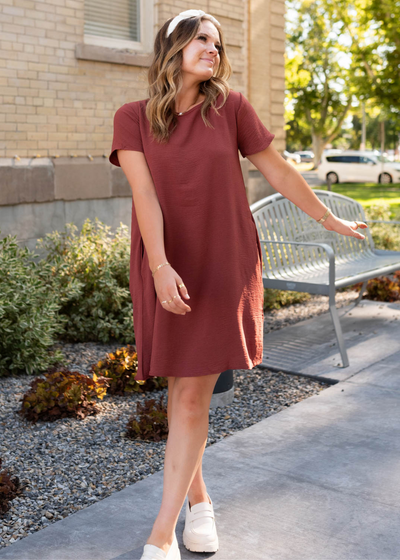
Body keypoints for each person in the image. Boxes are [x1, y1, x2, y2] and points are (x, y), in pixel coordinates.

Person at [109, 9, 368, 560]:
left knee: (193, 395)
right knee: (182, 391)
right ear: (173, 47)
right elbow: (145, 197)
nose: (213, 48)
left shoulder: (230, 109)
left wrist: (331, 220)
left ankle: (160, 536)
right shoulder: (131, 117)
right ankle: (199, 503)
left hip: (223, 260)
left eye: (218, 42)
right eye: (202, 38)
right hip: (166, 261)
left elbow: (277, 170)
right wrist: (159, 267)